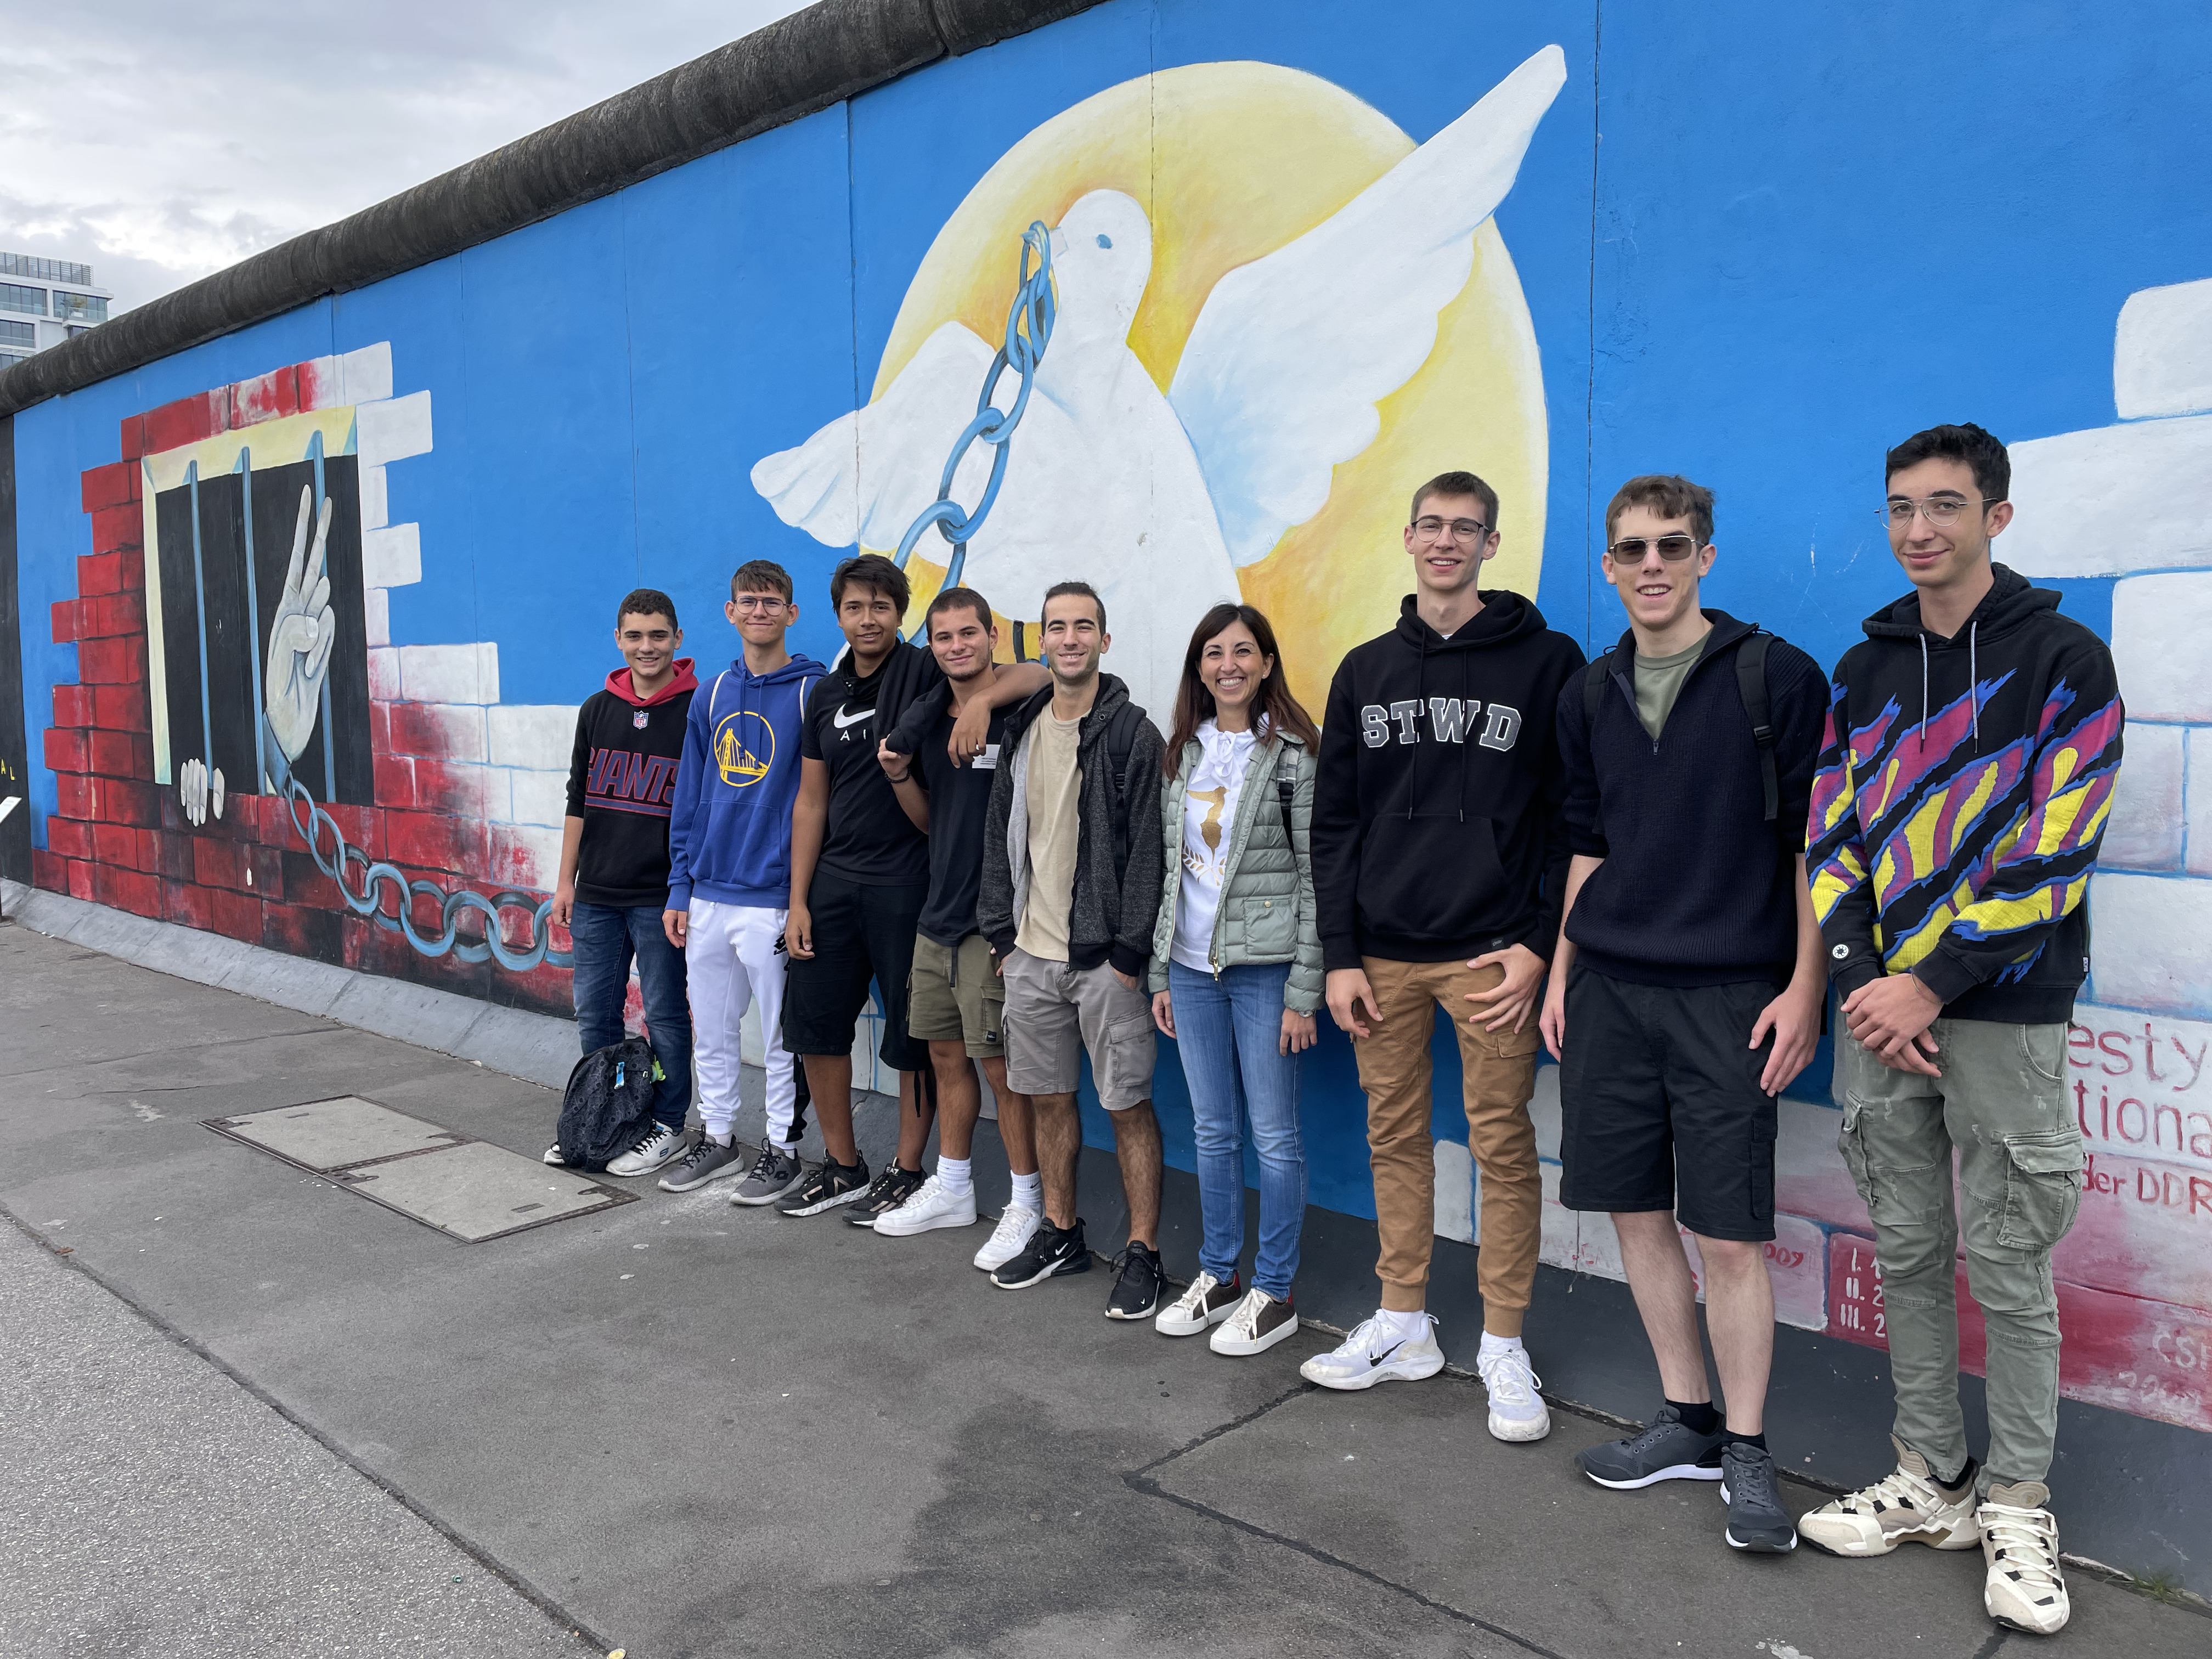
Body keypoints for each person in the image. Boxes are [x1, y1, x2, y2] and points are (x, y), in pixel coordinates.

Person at [1798, 425, 2119, 1637]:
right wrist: (1861, 976)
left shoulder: (2065, 660)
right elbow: (1831, 835)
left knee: (2011, 1264)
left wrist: (1927, 983)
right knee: (1909, 1250)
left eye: (1944, 504)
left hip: (1999, 1012)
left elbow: (2058, 847)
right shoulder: (1863, 669)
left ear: (1997, 515)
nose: (1918, 528)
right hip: (1879, 1012)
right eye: (1900, 506)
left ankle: (2018, 1500)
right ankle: (1928, 1475)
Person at [1543, 476, 1827, 1555]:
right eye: (1632, 549)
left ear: (1705, 555)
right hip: (1610, 991)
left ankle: (1747, 1449)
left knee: (1729, 1234)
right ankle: (1688, 1418)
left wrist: (1804, 987)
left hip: (1730, 995)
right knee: (1633, 1212)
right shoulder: (1590, 692)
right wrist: (1563, 974)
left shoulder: (1774, 676)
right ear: (1608, 565)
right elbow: (1587, 843)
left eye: (1671, 545)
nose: (1651, 564)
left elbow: (1812, 848)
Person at [1307, 470, 1583, 1439]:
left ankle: (1503, 1341)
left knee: (1501, 1144)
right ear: (1408, 536)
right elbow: (1334, 824)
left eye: (1466, 528)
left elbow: (1571, 820)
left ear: (1490, 545)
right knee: (1393, 1135)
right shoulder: (1365, 669)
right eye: (1431, 524)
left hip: (1491, 956)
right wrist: (1339, 954)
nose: (1446, 541)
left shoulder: (1547, 661)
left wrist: (1538, 944)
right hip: (1381, 954)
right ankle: (1403, 1321)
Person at [777, 555, 1045, 1221]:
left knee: (915, 1039)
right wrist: (798, 900)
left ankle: (907, 1169)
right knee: (815, 1026)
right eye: (854, 607)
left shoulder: (925, 667)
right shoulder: (825, 693)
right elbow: (810, 801)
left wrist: (980, 700)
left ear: (900, 615)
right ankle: (844, 1166)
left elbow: (1032, 673)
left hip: (909, 885)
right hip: (834, 883)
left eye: (881, 606)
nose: (868, 619)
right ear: (837, 616)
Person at [979, 581, 1171, 1319]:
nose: (1069, 639)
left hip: (1105, 962)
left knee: (1127, 1106)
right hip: (1031, 954)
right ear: (1042, 642)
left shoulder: (1133, 735)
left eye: (1083, 627)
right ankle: (1061, 1233)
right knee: (1049, 1100)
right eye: (1057, 627)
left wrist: (1129, 954)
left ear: (1104, 640)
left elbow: (1149, 852)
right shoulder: (1023, 729)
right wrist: (1003, 937)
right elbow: (1002, 833)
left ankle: (1144, 1251)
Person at [1147, 603, 1321, 1356]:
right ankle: (1219, 1274)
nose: (1229, 665)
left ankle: (1275, 1291)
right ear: (1199, 667)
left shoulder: (1294, 757)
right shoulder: (1182, 752)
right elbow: (1170, 874)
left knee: (1275, 1137)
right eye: (1214, 653)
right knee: (1213, 1131)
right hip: (1191, 971)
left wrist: (1303, 990)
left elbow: (1318, 879)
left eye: (1244, 651)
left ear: (1267, 663)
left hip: (1265, 973)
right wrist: (1161, 970)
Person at [871, 586, 1047, 1270]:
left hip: (994, 922)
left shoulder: (1021, 706)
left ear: (991, 634)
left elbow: (1042, 673)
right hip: (937, 916)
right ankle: (953, 1188)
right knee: (946, 1058)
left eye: (968, 633)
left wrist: (983, 701)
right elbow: (929, 822)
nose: (956, 646)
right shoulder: (924, 722)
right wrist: (897, 777)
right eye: (943, 638)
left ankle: (1027, 1203)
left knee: (1003, 1069)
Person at [656, 561, 824, 1200]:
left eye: (772, 602)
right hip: (707, 894)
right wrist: (681, 885)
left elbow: (820, 799)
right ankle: (720, 1138)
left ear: (791, 613)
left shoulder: (812, 692)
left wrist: (800, 897)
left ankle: (782, 1150)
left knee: (781, 1039)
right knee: (713, 1031)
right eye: (748, 601)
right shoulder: (711, 695)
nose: (759, 611)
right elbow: (689, 797)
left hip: (773, 898)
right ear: (730, 612)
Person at [546, 589, 699, 1175]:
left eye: (658, 635)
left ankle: (667, 1125)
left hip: (660, 897)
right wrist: (566, 882)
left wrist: (686, 888)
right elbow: (578, 801)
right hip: (597, 896)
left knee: (665, 1016)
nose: (646, 646)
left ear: (677, 639)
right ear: (618, 640)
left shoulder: (698, 708)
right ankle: (604, 1119)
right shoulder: (596, 710)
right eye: (634, 636)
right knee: (597, 1017)